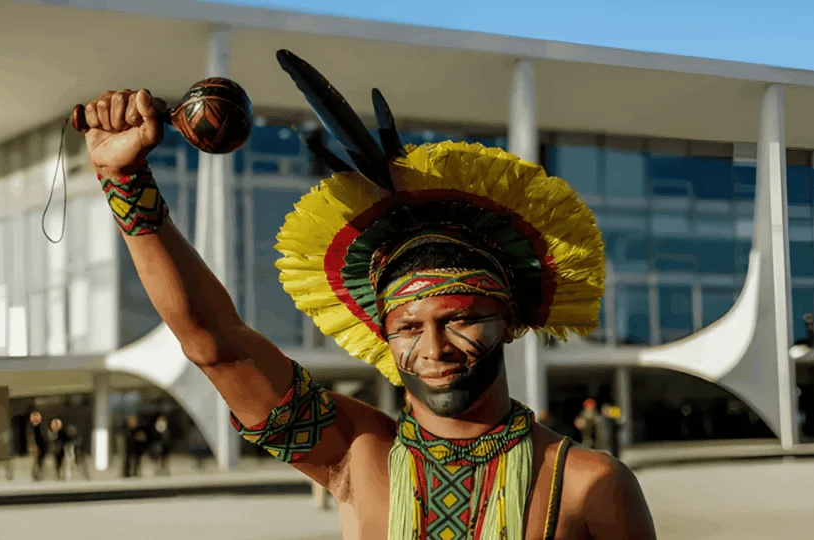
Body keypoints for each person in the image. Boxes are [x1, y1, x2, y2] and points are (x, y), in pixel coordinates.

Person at [75, 49, 655, 539]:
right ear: (383, 332)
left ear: (512, 320)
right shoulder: (356, 453)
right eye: (407, 325)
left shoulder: (589, 486)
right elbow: (217, 347)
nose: (434, 347)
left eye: (460, 319)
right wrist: (125, 183)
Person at [25, 410, 48, 481]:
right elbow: (30, 437)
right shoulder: (31, 427)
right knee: (36, 460)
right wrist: (33, 445)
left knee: (39, 460)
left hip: (42, 445)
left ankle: (37, 474)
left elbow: (43, 436)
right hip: (36, 445)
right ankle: (35, 475)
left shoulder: (40, 426)